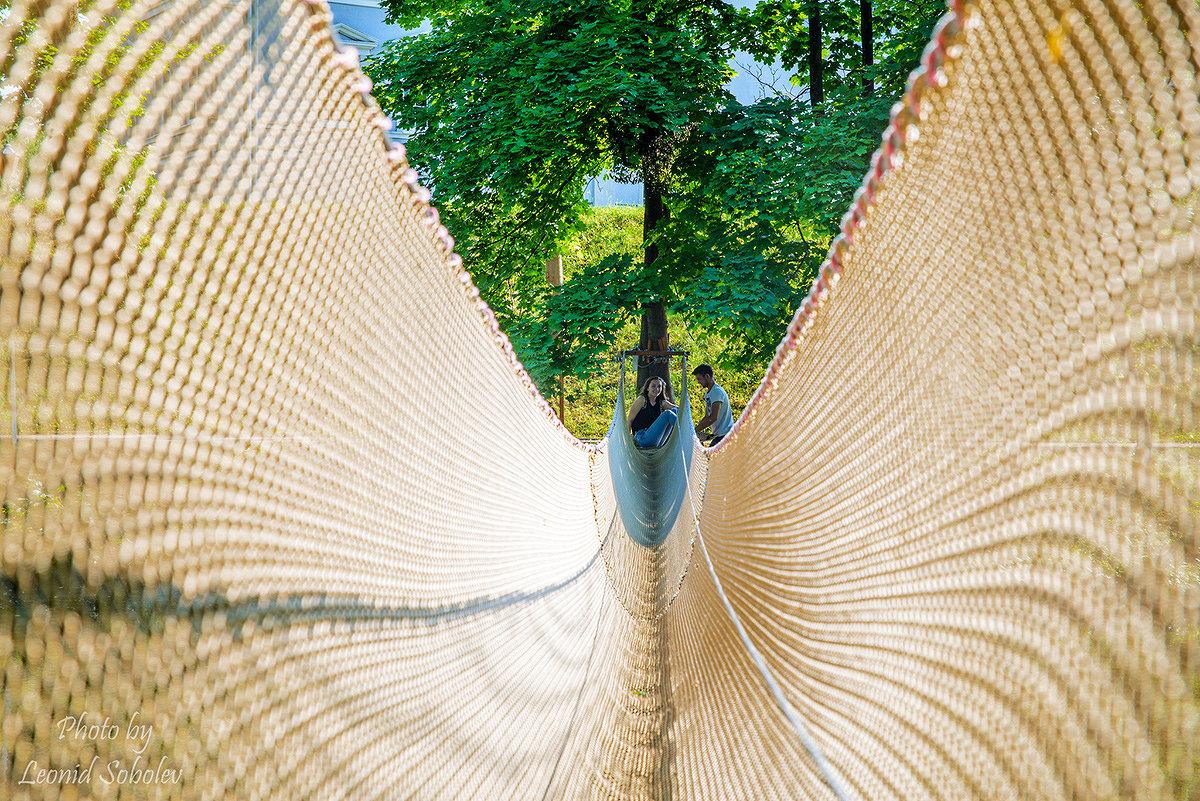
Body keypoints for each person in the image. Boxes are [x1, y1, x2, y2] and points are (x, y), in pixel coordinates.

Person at [627, 376, 678, 448]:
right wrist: (628, 439)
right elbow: (630, 420)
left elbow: (678, 409)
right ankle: (685, 432)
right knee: (668, 414)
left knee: (675, 411)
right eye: (653, 386)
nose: (656, 389)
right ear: (648, 388)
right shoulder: (642, 399)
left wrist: (686, 408)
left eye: (659, 386)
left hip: (657, 440)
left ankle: (689, 432)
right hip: (642, 438)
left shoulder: (661, 402)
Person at [691, 364, 733, 445]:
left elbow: (713, 417)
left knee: (710, 456)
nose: (698, 382)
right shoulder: (708, 393)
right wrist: (695, 430)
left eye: (699, 379)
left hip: (725, 434)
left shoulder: (717, 391)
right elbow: (707, 416)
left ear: (707, 376)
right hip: (718, 435)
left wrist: (695, 431)